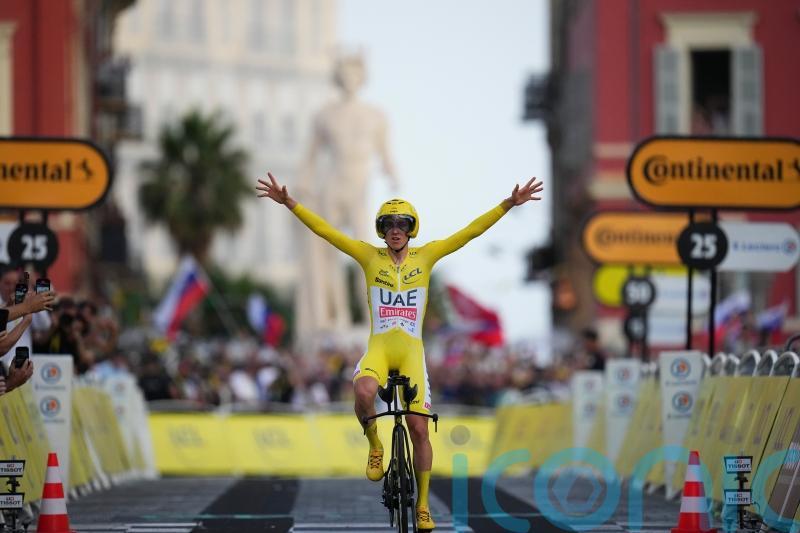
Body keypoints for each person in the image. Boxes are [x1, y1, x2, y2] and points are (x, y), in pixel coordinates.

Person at [257, 171, 544, 530]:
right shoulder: (368, 256)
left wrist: (507, 204)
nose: (395, 229)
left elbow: (469, 233)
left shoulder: (426, 257)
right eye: (388, 223)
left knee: (418, 430)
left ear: (412, 228)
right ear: (381, 229)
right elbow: (327, 233)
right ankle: (375, 444)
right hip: (379, 349)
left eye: (402, 223)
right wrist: (289, 203)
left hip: (411, 353)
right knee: (362, 390)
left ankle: (423, 504)